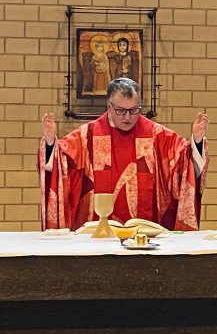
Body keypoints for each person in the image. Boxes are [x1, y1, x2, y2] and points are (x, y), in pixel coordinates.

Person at [40, 77, 208, 230]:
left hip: (145, 235)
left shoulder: (156, 135)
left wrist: (197, 142)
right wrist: (50, 143)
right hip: (97, 236)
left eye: (134, 110)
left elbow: (183, 160)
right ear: (109, 106)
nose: (127, 117)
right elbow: (61, 161)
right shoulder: (87, 136)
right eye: (120, 110)